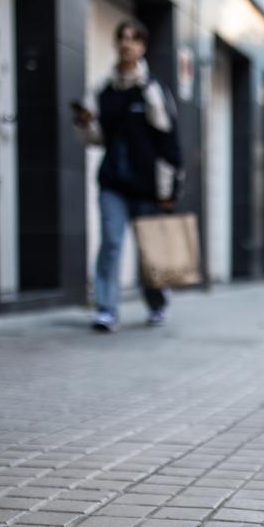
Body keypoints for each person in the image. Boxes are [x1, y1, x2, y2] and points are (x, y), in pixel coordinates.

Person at [73, 19, 182, 332]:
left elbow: (168, 140)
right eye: (122, 38)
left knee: (150, 249)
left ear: (142, 47)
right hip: (113, 182)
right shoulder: (103, 90)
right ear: (116, 43)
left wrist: (170, 189)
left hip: (147, 185)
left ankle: (157, 302)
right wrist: (84, 122)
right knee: (111, 242)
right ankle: (106, 308)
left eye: (134, 39)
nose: (127, 44)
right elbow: (94, 139)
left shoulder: (152, 90)